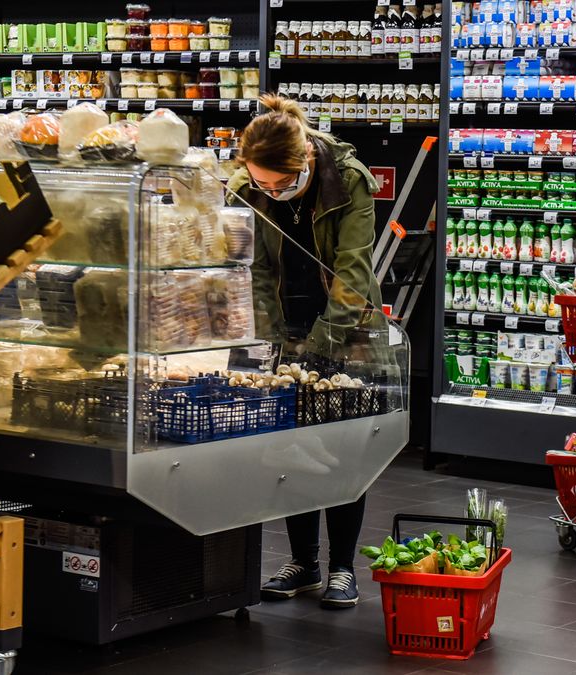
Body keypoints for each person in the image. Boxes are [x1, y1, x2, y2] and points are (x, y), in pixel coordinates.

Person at [227, 93, 382, 608]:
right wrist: (270, 342)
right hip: (284, 323)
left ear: (306, 161)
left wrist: (322, 350)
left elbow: (353, 273)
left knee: (342, 451)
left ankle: (341, 567)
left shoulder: (349, 179)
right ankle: (303, 563)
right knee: (292, 449)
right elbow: (255, 270)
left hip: (346, 326)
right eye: (261, 184)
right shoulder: (249, 187)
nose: (272, 191)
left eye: (282, 183)